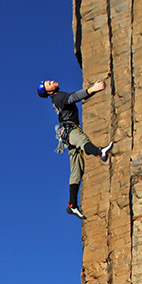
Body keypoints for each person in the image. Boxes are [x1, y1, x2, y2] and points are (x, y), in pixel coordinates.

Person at [38, 79, 113, 220]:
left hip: (66, 134)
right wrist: (92, 89)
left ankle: (72, 205)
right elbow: (73, 97)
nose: (52, 81)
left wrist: (92, 91)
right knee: (83, 142)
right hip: (70, 130)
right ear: (49, 92)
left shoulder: (56, 99)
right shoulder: (59, 97)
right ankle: (100, 152)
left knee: (77, 169)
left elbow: (75, 99)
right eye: (49, 83)